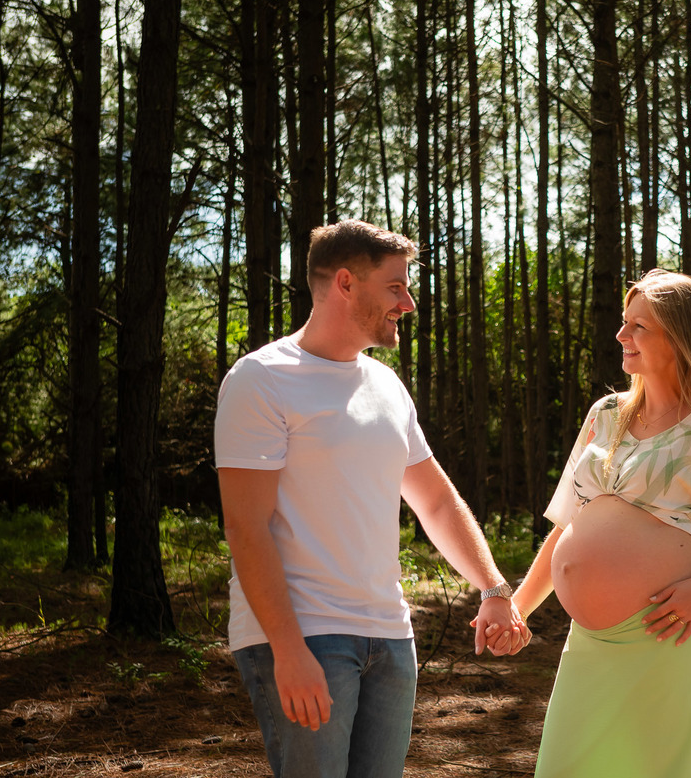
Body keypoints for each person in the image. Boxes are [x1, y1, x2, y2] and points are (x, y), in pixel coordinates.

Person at [214, 220, 530, 778]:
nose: (408, 302)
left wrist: (494, 587)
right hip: (305, 634)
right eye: (395, 287)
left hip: (390, 637)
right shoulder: (261, 380)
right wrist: (287, 651)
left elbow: (434, 500)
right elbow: (246, 527)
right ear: (344, 283)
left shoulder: (386, 386)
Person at [497, 269, 691, 776]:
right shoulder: (606, 415)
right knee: (566, 766)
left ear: (678, 338)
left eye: (638, 327)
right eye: (624, 323)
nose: (621, 336)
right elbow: (568, 525)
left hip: (664, 636)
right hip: (590, 640)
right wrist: (518, 608)